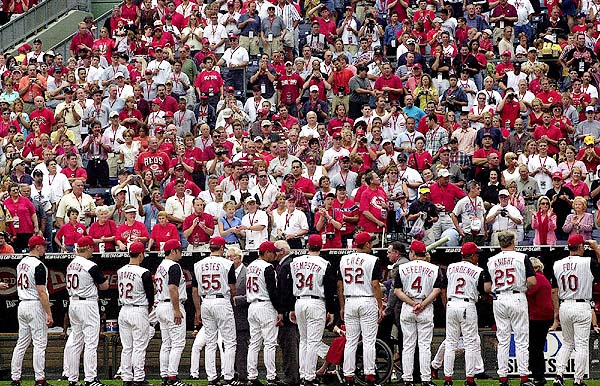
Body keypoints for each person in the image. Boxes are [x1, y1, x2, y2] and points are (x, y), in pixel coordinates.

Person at [486, 231, 536, 386]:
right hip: (516, 296)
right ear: (513, 241)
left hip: (499, 297)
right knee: (521, 340)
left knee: (503, 340)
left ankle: (503, 377)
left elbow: (487, 287)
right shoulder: (522, 257)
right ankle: (524, 377)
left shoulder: (491, 260)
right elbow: (533, 281)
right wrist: (521, 286)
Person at [287, 234, 337, 386]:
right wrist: (331, 310)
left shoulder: (295, 262)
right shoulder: (324, 263)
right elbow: (329, 289)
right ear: (320, 246)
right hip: (316, 302)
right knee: (313, 342)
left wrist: (291, 308)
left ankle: (303, 374)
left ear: (308, 246)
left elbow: (289, 286)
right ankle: (309, 377)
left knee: (304, 340)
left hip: (299, 301)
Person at [551, 235, 600, 386]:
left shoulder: (557, 264)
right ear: (580, 247)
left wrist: (556, 312)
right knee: (581, 345)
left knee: (567, 343)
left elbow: (554, 291)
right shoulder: (587, 262)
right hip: (581, 305)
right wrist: (597, 248)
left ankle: (558, 376)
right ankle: (578, 380)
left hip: (564, 304)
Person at [394, 240, 444, 386]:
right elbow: (437, 290)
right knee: (424, 345)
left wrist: (412, 303)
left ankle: (407, 379)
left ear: (413, 253)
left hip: (408, 306)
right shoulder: (434, 268)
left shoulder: (402, 267)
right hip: (425, 306)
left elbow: (397, 290)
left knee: (408, 345)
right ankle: (426, 379)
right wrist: (422, 304)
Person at [338, 232, 383, 386]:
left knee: (350, 341)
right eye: (370, 242)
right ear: (366, 245)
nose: (371, 244)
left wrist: (342, 305)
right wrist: (380, 305)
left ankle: (348, 376)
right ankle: (369, 375)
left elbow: (339, 285)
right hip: (367, 300)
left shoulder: (344, 259)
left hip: (350, 300)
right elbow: (375, 284)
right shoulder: (373, 259)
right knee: (369, 341)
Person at [63, 236, 109, 386]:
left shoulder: (70, 264)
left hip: (74, 303)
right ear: (88, 248)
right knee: (90, 343)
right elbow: (104, 286)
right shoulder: (90, 265)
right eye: (92, 247)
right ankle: (90, 378)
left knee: (76, 341)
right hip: (87, 304)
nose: (92, 250)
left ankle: (72, 378)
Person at [443, 242, 490, 386]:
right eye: (476, 254)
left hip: (451, 304)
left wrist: (446, 305)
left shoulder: (450, 267)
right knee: (470, 343)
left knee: (450, 343)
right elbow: (484, 292)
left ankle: (448, 380)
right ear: (471, 255)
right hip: (467, 304)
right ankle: (469, 379)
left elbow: (444, 288)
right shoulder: (478, 270)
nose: (478, 257)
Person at [191, 236, 237, 386]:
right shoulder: (227, 263)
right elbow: (233, 288)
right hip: (221, 300)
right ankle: (228, 376)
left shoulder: (198, 264)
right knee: (229, 341)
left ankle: (212, 377)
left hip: (206, 301)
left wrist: (198, 310)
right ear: (222, 248)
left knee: (210, 342)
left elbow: (195, 290)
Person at [10, 236, 52, 386]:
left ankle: (15, 378)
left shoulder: (21, 263)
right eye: (43, 246)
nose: (45, 248)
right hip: (34, 304)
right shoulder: (39, 265)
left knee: (21, 343)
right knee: (40, 344)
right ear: (37, 247)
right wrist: (49, 313)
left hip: (22, 304)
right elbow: (41, 291)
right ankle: (40, 379)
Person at [117, 242, 154, 386]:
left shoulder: (120, 270)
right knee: (139, 346)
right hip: (138, 309)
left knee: (127, 347)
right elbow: (150, 294)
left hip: (124, 309)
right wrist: (149, 307)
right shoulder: (143, 272)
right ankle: (138, 378)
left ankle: (127, 378)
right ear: (140, 254)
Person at [246, 241, 283, 386]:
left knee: (254, 343)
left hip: (252, 306)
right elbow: (273, 292)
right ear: (266, 252)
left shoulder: (250, 266)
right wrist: (279, 310)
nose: (275, 254)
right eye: (273, 252)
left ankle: (252, 376)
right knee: (269, 343)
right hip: (265, 306)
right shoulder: (267, 267)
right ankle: (271, 377)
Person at [155, 240, 189, 386]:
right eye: (179, 249)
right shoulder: (173, 266)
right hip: (171, 306)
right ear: (173, 251)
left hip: (161, 306)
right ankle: (173, 377)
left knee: (167, 343)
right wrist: (176, 310)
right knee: (178, 343)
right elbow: (173, 289)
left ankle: (165, 376)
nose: (181, 252)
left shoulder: (161, 265)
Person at [526, 257, 553, 386]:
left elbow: (527, 293)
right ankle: (538, 375)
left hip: (537, 316)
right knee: (538, 347)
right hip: (545, 316)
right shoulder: (544, 278)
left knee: (534, 347)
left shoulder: (536, 278)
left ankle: (538, 375)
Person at [227, 246, 250, 383]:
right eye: (227, 257)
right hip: (228, 314)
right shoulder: (226, 271)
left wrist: (236, 300)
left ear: (239, 258)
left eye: (231, 257)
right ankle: (231, 372)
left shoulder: (247, 273)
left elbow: (252, 294)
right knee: (229, 345)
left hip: (242, 314)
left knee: (242, 345)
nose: (229, 260)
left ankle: (242, 374)